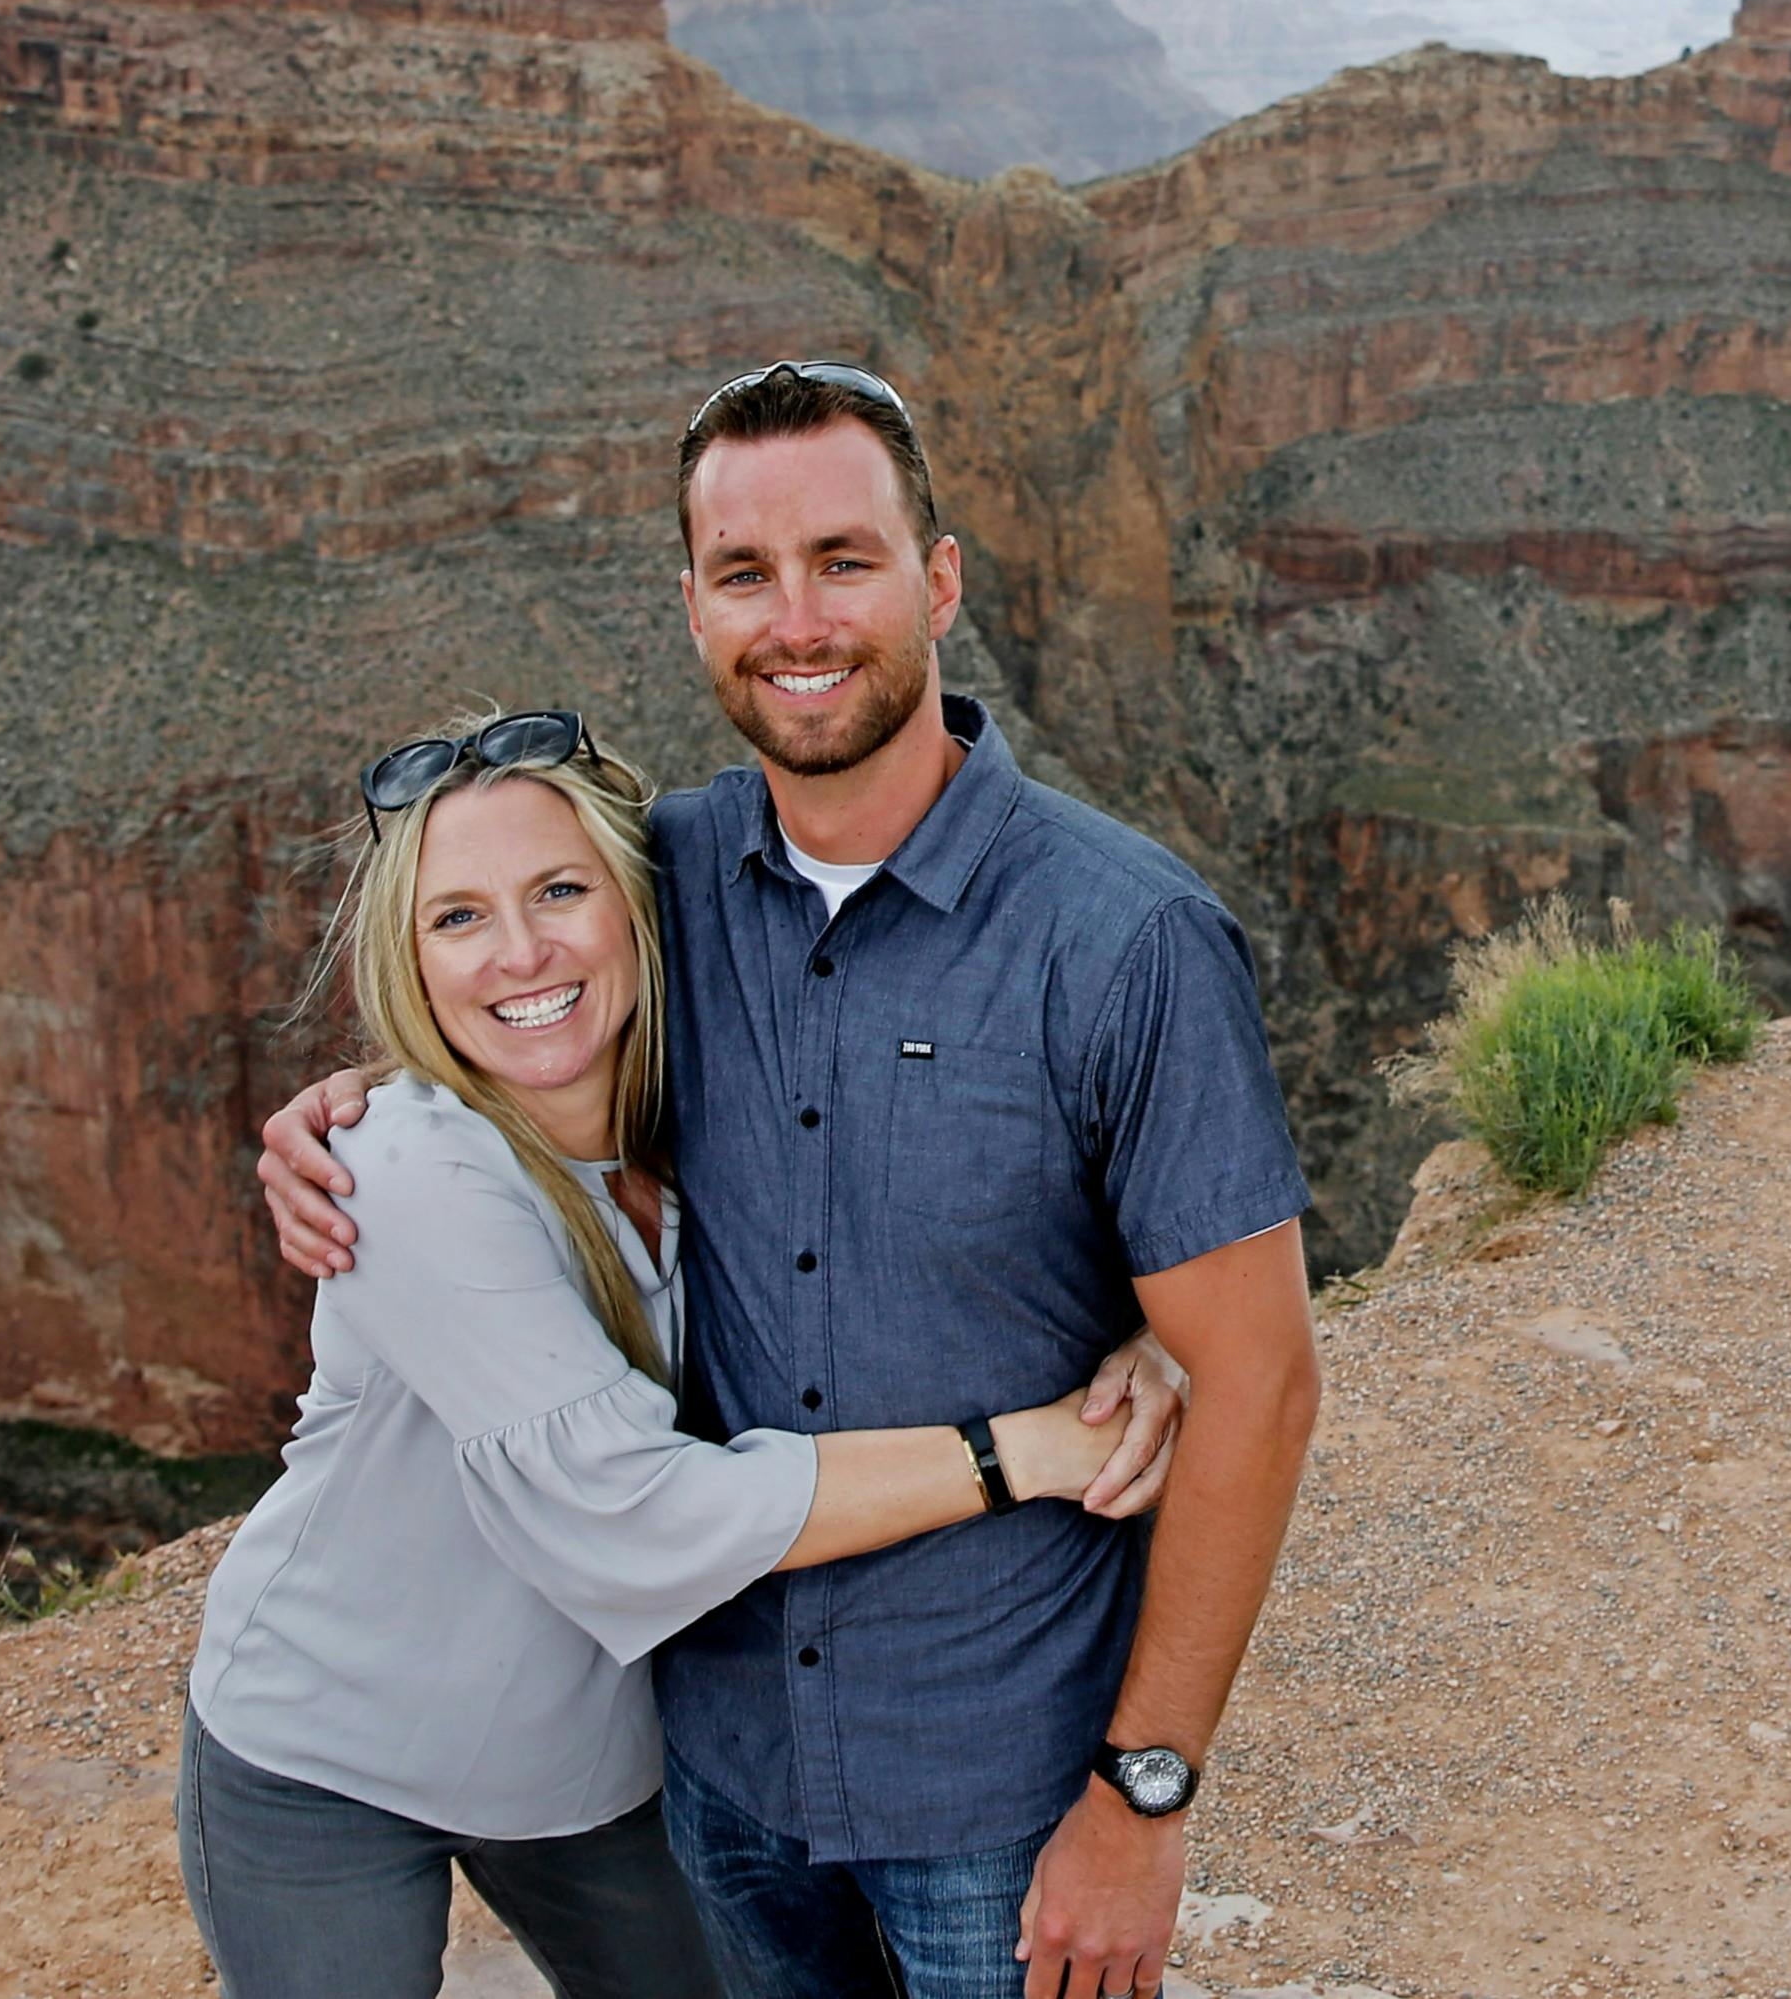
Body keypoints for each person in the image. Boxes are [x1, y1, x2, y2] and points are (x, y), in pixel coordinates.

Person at [264, 361, 1321, 1999]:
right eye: (746, 575)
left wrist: (1145, 1796)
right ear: (694, 608)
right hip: (726, 1766)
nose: (799, 622)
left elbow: (1260, 1380)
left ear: (939, 581)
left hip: (999, 1777)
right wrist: (361, 1105)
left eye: (844, 560)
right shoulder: (659, 884)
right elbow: (515, 994)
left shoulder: (1126, 942)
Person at [183, 709, 1184, 1999]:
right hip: (331, 1751)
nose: (521, 951)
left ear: (639, 907)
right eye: (458, 918)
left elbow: (987, 1197)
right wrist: (1014, 1455)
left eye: (559, 891)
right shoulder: (407, 1169)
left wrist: (1156, 1326)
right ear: (408, 960)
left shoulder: (710, 1101)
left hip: (587, 1765)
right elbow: (636, 1512)